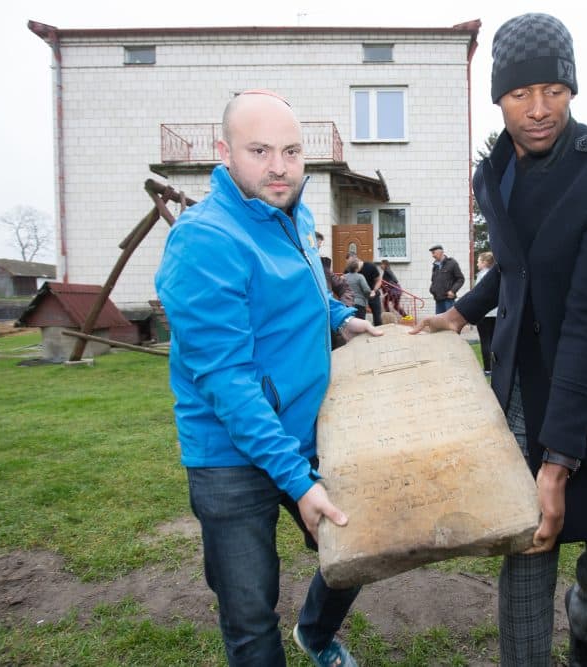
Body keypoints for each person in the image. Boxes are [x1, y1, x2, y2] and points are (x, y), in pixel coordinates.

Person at [412, 13, 587, 667]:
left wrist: (558, 463)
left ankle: (584, 615)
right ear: (499, 97)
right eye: (521, 94)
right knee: (528, 553)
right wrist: (460, 313)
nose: (539, 109)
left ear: (573, 89)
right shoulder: (492, 175)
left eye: (554, 90)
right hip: (521, 382)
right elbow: (516, 266)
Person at [155, 89, 381, 667]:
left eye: (291, 150)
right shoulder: (205, 239)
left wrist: (342, 319)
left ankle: (315, 633)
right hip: (229, 453)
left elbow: (298, 298)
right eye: (259, 150)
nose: (279, 167)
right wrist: (298, 483)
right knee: (251, 616)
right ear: (223, 152)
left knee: (358, 546)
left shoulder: (295, 214)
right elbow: (229, 382)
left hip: (304, 434)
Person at [474, 251, 497, 375]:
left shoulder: (483, 275)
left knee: (485, 340)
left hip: (484, 314)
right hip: (495, 313)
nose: (477, 264)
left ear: (485, 262)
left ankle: (488, 369)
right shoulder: (496, 275)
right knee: (493, 340)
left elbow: (478, 295)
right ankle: (495, 368)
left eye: (478, 261)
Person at [428, 244, 464, 314]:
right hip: (438, 299)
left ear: (440, 252)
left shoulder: (452, 263)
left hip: (448, 300)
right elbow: (433, 281)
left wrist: (453, 291)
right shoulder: (435, 266)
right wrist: (432, 290)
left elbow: (460, 279)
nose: (432, 255)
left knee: (450, 322)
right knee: (439, 322)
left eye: (433, 253)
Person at [355, 255, 384, 326]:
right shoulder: (350, 268)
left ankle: (378, 333)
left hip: (373, 295)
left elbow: (379, 280)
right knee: (360, 319)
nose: (354, 269)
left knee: (377, 319)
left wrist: (374, 290)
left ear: (358, 261)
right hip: (360, 297)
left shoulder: (371, 266)